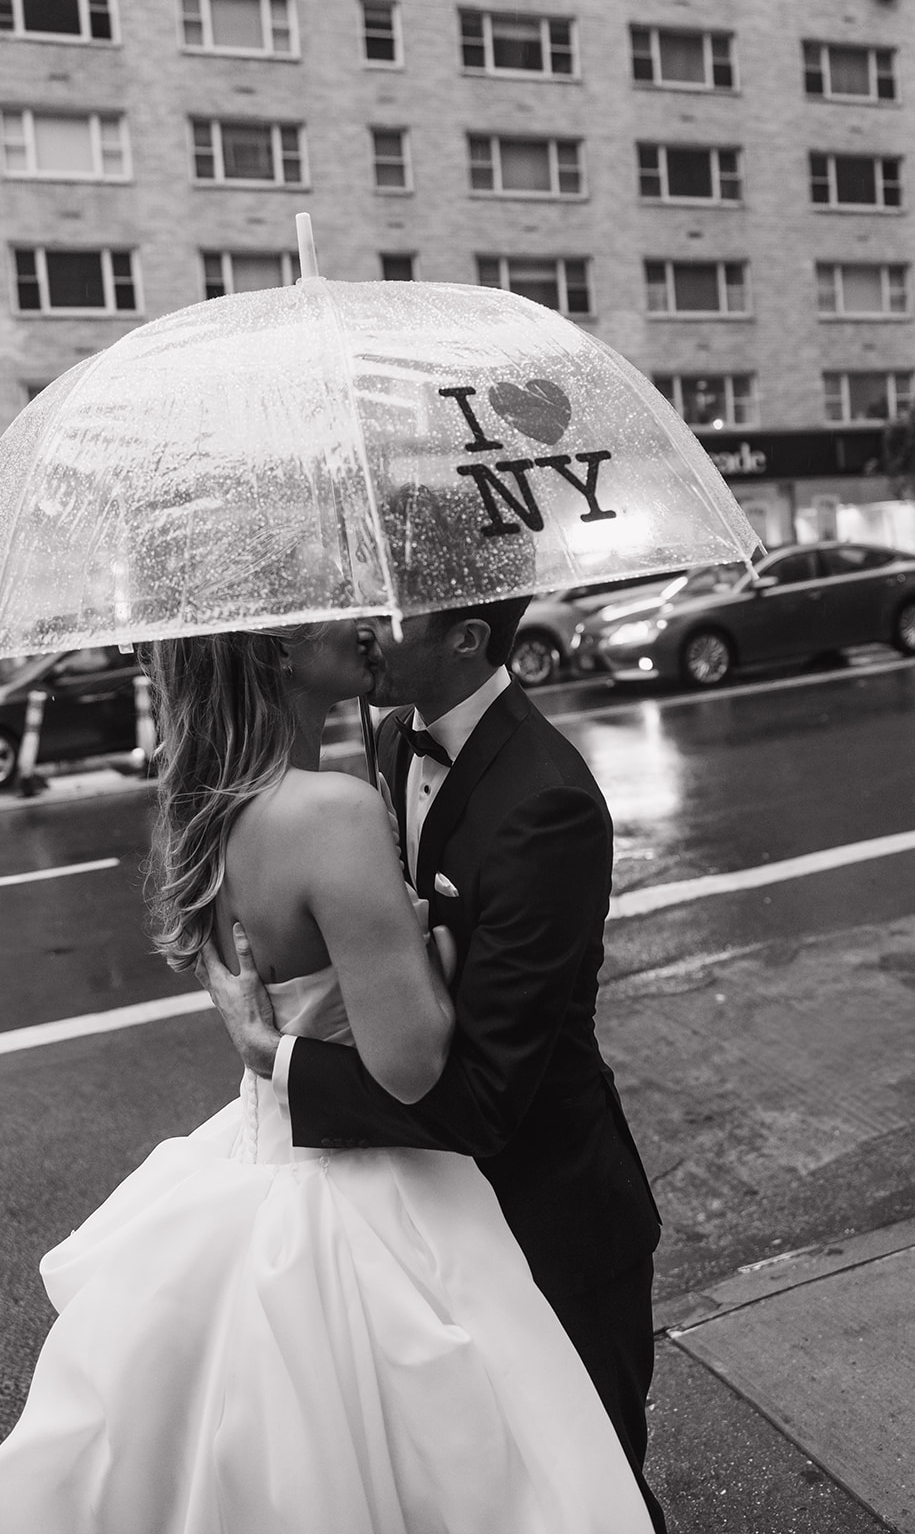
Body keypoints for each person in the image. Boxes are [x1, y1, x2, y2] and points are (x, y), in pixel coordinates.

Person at [0, 619, 654, 1534]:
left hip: (263, 1164)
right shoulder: (333, 810)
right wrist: (423, 945)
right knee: (504, 1468)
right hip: (369, 1195)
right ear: (279, 649)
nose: (362, 615)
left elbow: (272, 973)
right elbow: (410, 1064)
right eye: (330, 605)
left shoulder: (204, 801)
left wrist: (276, 1038)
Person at [200, 505, 667, 1533]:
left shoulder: (544, 801)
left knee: (591, 1483)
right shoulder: (376, 745)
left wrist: (270, 1056)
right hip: (422, 1209)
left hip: (545, 1208)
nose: (366, 621)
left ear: (464, 638)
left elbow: (490, 1090)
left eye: (392, 608)